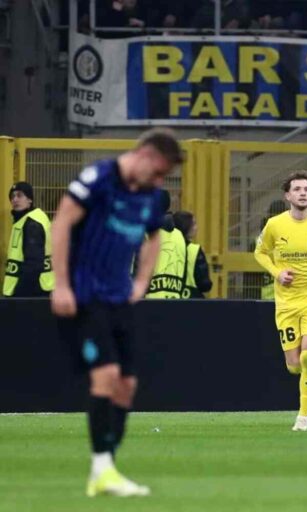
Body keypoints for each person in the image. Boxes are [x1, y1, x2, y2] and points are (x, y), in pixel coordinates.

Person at [51, 128, 182, 497]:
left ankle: (106, 467)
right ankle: (102, 468)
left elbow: (154, 236)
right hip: (85, 296)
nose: (159, 182)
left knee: (127, 386)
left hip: (119, 299)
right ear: (144, 154)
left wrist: (141, 283)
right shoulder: (98, 179)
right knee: (106, 376)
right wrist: (61, 285)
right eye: (158, 172)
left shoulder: (150, 195)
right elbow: (61, 223)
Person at [254, 171, 307, 432]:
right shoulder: (275, 225)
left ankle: (304, 416)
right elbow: (260, 253)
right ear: (288, 195)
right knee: (294, 365)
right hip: (286, 304)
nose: (303, 193)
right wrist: (277, 272)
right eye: (298, 189)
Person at [4, 182, 54, 297]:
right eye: (12, 196)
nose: (15, 199)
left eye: (19, 195)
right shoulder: (25, 220)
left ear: (30, 199)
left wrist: (19, 293)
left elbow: (34, 264)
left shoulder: (32, 223)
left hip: (32, 291)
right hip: (37, 289)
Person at [144, 190, 187, 299]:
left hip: (149, 303)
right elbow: (184, 271)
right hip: (175, 302)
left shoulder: (147, 234)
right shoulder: (179, 236)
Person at [171, 211, 212, 299]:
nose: (196, 228)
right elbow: (204, 284)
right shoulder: (195, 250)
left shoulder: (165, 249)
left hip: (170, 298)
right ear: (186, 227)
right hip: (192, 300)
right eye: (194, 224)